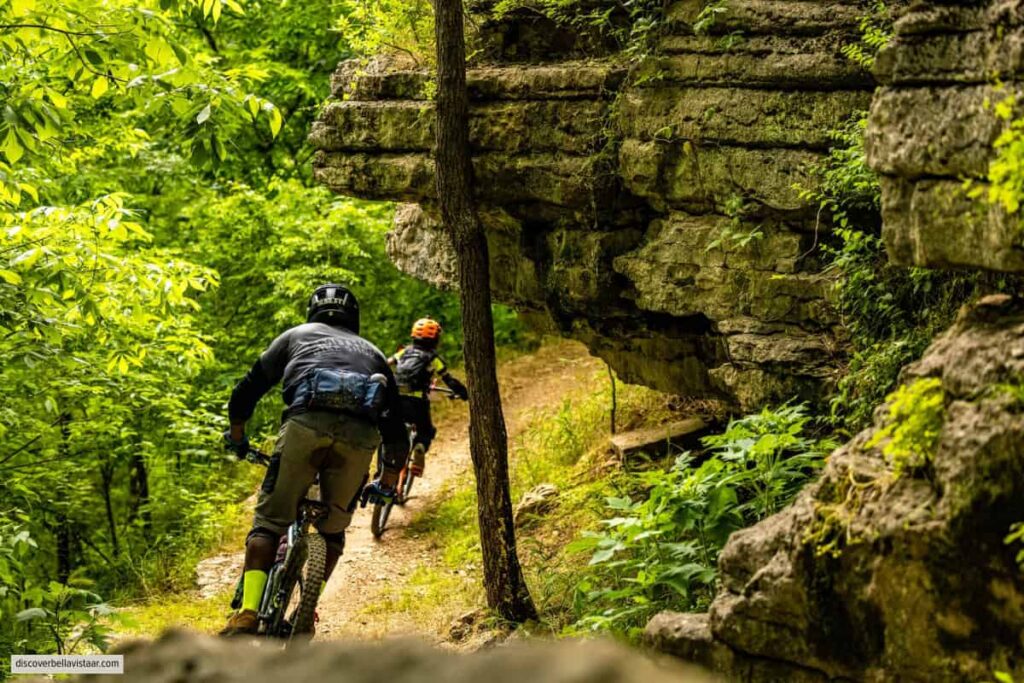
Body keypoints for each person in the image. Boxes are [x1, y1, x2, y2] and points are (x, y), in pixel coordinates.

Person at [219, 283, 408, 637]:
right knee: (332, 532)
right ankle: (308, 612)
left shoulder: (296, 335)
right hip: (358, 438)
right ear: (354, 317)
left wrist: (238, 436)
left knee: (270, 523)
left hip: (304, 425)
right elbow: (395, 427)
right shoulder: (375, 352)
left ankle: (247, 613)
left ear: (313, 312)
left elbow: (247, 389)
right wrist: (387, 479)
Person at [387, 317, 468, 476]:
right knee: (426, 432)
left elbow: (386, 362)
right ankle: (419, 447)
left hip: (395, 398)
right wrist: (463, 392)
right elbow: (447, 378)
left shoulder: (404, 351)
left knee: (391, 429)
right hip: (416, 402)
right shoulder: (433, 357)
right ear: (435, 339)